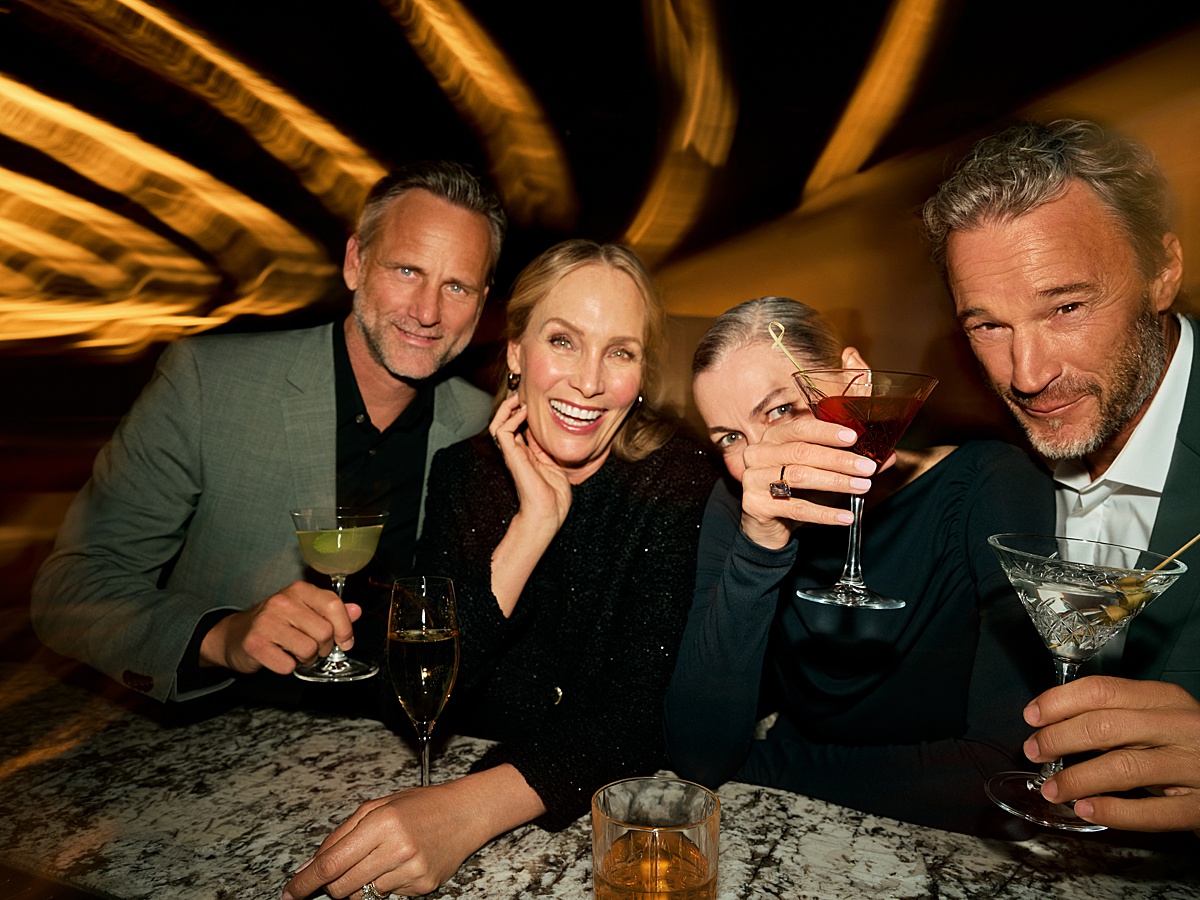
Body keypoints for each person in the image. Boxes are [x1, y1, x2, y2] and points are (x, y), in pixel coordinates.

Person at [281, 240, 716, 899]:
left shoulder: (678, 478)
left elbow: (639, 715)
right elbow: (425, 689)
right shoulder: (462, 473)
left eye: (620, 352)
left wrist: (464, 810)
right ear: (516, 351)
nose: (590, 380)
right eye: (563, 341)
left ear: (641, 374)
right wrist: (530, 529)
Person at [31, 161, 505, 703]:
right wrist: (220, 635)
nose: (427, 311)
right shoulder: (208, 384)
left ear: (482, 300)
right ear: (356, 262)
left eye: (457, 286)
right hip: (222, 743)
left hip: (400, 739)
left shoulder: (482, 425)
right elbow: (70, 587)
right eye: (406, 271)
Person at [662, 296, 1054, 836]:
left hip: (941, 843)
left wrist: (758, 767)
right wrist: (761, 545)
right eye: (731, 438)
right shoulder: (741, 504)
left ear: (856, 381)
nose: (760, 455)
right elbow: (700, 756)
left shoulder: (994, 483)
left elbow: (1005, 768)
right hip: (791, 831)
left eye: (779, 410)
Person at [921, 118, 1200, 833]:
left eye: (1066, 307)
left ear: (1163, 271)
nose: (1028, 375)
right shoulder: (988, 472)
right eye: (987, 326)